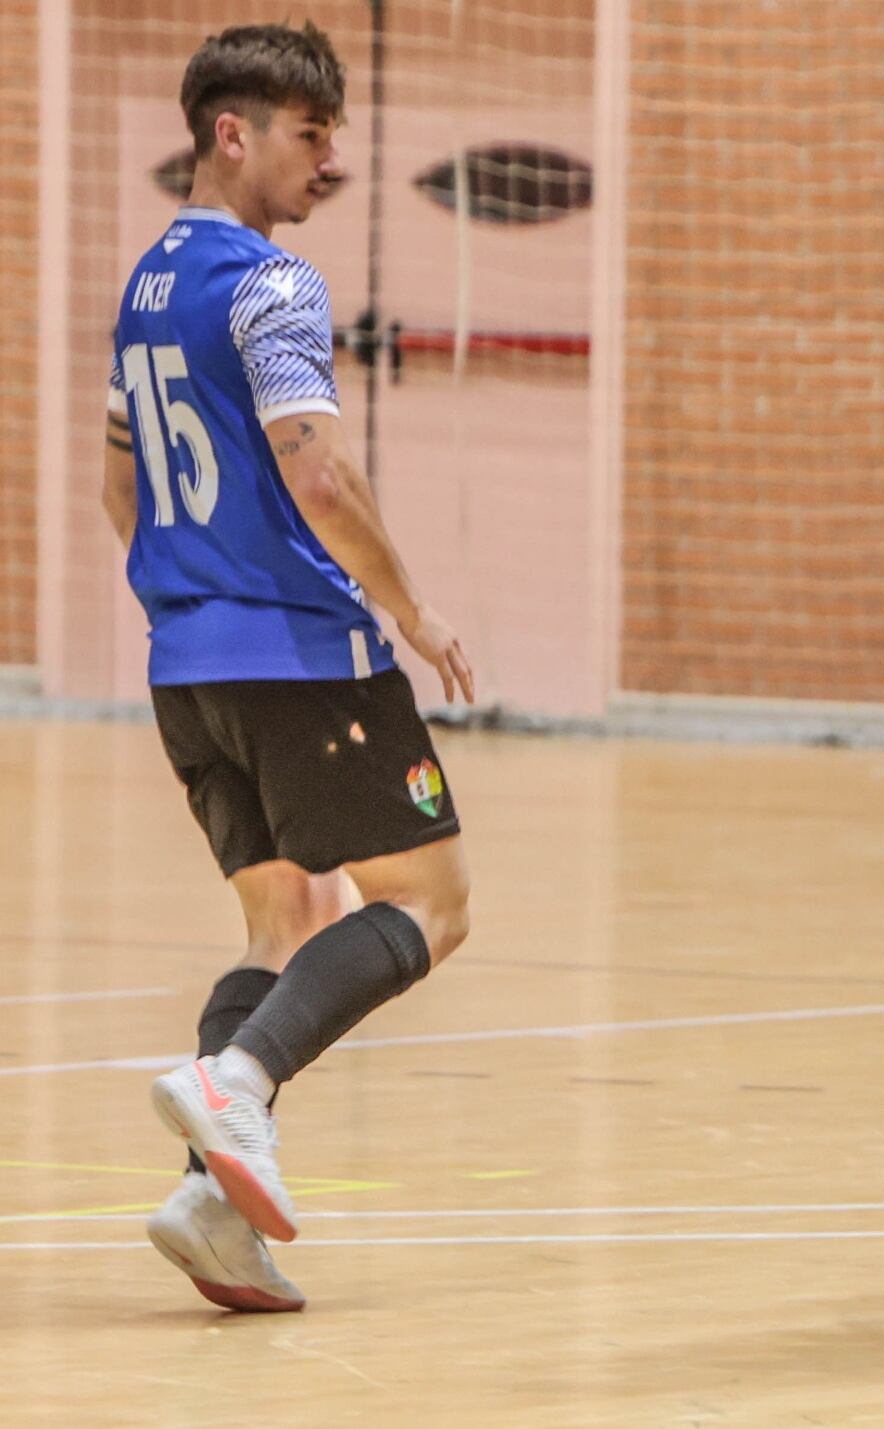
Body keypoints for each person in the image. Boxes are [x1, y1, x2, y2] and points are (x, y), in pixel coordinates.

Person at [107, 21, 476, 1312]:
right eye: (310, 136)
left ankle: (213, 1202)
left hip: (184, 662)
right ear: (232, 135)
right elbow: (316, 470)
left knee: (284, 921)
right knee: (432, 901)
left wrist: (190, 587)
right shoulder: (270, 283)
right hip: (298, 652)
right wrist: (411, 610)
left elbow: (120, 482)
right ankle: (238, 1088)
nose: (329, 164)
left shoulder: (147, 282)